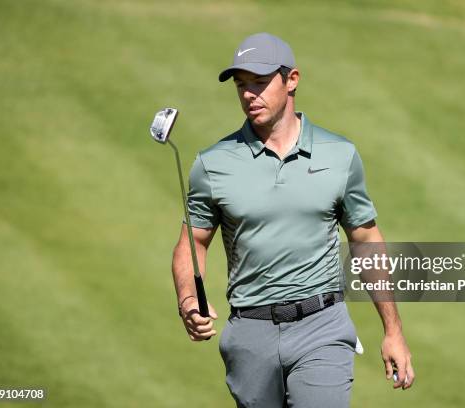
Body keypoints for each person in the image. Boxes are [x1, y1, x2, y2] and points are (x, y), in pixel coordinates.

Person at [171, 32, 415, 407]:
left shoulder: (340, 155)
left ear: (292, 80)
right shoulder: (212, 164)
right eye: (241, 85)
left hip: (322, 326)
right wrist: (188, 301)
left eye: (260, 82)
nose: (249, 94)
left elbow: (366, 241)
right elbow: (193, 243)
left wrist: (393, 331)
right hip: (250, 334)